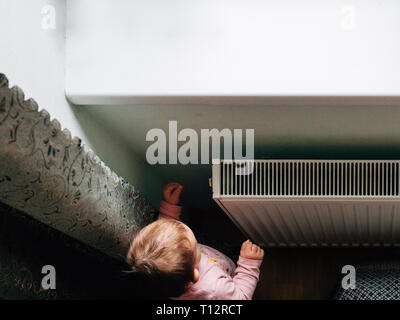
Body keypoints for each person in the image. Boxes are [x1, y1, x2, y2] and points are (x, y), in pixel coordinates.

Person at [126, 182, 264, 299]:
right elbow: (241, 297)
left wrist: (169, 208)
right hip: (230, 274)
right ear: (195, 274)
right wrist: (248, 265)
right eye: (194, 245)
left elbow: (165, 238)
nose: (180, 224)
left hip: (213, 259)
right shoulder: (215, 289)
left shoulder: (167, 273)